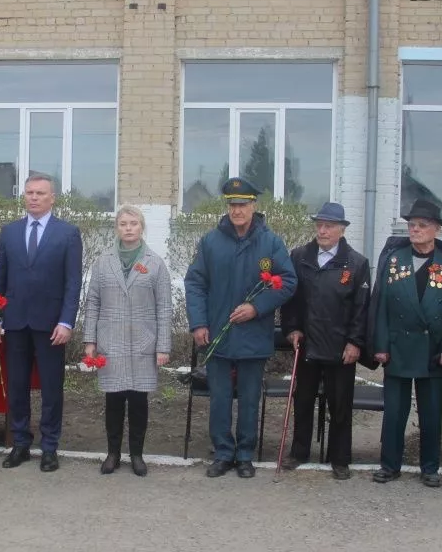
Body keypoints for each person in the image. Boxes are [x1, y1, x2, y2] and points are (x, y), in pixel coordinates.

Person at [185, 177, 297, 479]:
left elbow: (287, 281)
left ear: (253, 206)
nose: (237, 210)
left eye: (243, 204)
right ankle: (223, 452)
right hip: (218, 333)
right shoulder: (211, 241)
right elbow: (195, 282)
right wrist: (198, 323)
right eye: (232, 205)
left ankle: (245, 454)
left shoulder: (271, 242)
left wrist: (256, 307)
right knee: (220, 398)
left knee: (249, 398)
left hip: (253, 335)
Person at [368, 199, 442, 488]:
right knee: (394, 413)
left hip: (433, 351)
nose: (415, 230)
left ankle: (430, 468)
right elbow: (380, 305)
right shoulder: (394, 259)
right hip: (397, 349)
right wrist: (379, 345)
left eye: (422, 225)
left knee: (432, 413)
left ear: (437, 230)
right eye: (411, 225)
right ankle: (389, 465)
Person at [0, 175, 82, 473]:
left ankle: (50, 446)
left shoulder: (67, 233)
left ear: (52, 198)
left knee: (52, 388)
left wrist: (67, 321)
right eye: (29, 193)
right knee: (17, 387)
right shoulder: (10, 232)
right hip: (15, 324)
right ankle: (20, 443)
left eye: (40, 193)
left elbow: (72, 283)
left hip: (51, 325)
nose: (34, 198)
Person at [280, 202, 371, 480]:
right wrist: (292, 328)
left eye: (329, 226)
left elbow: (361, 308)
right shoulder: (299, 256)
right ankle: (299, 452)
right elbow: (291, 298)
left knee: (340, 404)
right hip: (307, 343)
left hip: (340, 347)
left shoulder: (356, 263)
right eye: (319, 224)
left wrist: (355, 342)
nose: (322, 230)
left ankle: (340, 458)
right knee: (303, 400)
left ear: (341, 230)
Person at [83, 205, 172, 477]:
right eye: (123, 223)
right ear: (117, 228)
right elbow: (92, 301)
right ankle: (112, 453)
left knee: (138, 400)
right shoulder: (102, 261)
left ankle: (137, 454)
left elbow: (164, 308)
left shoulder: (155, 263)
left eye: (133, 223)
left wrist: (163, 346)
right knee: (113, 399)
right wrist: (90, 340)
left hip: (143, 342)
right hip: (111, 341)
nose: (128, 228)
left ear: (141, 226)